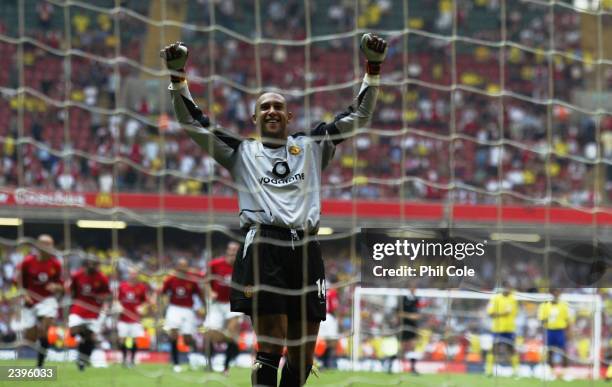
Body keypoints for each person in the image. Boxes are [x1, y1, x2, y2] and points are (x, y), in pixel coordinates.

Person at [162, 32, 387, 386]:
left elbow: (359, 114)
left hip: (308, 248)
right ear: (254, 118)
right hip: (264, 246)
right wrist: (178, 79)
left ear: (289, 115)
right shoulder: (240, 152)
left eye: (277, 106)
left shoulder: (312, 145)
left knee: (302, 353)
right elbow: (193, 123)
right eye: (264, 107)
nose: (271, 111)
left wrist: (372, 69)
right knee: (271, 344)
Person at [16, 234, 63, 368]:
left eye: (50, 244)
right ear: (38, 245)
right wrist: (24, 295)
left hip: (47, 300)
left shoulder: (56, 264)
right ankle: (41, 344)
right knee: (30, 337)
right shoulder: (27, 262)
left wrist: (56, 287)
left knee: (45, 329)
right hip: (30, 300)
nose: (49, 247)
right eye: (46, 244)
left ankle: (40, 364)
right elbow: (18, 283)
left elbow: (62, 285)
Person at [159, 257, 206, 372]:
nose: (183, 268)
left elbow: (200, 294)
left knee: (187, 338)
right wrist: (163, 307)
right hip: (174, 308)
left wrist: (204, 307)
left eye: (185, 265)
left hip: (188, 310)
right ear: (177, 267)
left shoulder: (192, 279)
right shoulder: (170, 279)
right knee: (173, 334)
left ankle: (194, 357)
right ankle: (176, 363)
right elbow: (163, 293)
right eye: (181, 265)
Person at [203, 241, 242, 375]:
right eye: (230, 250)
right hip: (216, 304)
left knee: (232, 331)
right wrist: (209, 292)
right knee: (210, 334)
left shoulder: (243, 265)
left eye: (235, 250)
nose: (232, 253)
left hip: (234, 303)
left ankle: (225, 368)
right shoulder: (214, 264)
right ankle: (209, 364)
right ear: (227, 251)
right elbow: (206, 281)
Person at [68, 256, 111, 371]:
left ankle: (82, 360)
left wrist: (101, 299)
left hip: (94, 311)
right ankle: (83, 353)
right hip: (79, 308)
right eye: (90, 264)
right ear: (85, 264)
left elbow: (107, 295)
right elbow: (72, 291)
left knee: (90, 338)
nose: (93, 267)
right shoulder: (77, 276)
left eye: (95, 264)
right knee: (73, 331)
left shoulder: (102, 278)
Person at [116, 267, 151, 367]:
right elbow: (116, 299)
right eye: (131, 274)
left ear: (137, 275)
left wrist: (142, 307)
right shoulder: (122, 286)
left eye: (135, 274)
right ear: (128, 274)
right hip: (123, 318)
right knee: (122, 339)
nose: (133, 276)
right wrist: (118, 305)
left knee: (135, 340)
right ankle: (123, 359)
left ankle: (131, 360)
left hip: (135, 319)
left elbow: (146, 301)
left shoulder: (142, 287)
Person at [485, 284, 519, 377]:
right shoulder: (495, 299)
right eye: (506, 287)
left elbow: (515, 313)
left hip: (510, 329)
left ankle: (515, 371)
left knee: (511, 349)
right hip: (498, 329)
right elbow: (490, 313)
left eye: (509, 288)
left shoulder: (513, 299)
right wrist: (503, 313)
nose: (508, 289)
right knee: (494, 349)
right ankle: (489, 370)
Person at [537, 289, 572, 377]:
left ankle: (565, 373)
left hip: (560, 331)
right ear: (551, 294)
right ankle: (551, 372)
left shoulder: (563, 305)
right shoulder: (544, 306)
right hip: (549, 331)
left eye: (557, 294)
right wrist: (546, 321)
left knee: (563, 352)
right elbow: (541, 320)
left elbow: (567, 320)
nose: (556, 296)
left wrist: (568, 332)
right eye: (554, 293)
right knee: (549, 352)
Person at [397, 287, 420, 375]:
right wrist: (410, 316)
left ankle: (413, 368)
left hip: (413, 327)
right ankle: (390, 361)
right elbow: (399, 313)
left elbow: (418, 315)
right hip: (404, 327)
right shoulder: (403, 299)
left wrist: (415, 317)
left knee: (413, 347)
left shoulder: (416, 300)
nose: (415, 289)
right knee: (403, 349)